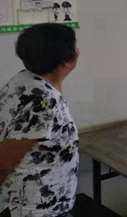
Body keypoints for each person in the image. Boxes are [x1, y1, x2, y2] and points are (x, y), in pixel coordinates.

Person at [0, 24, 80, 217]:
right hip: (35, 209)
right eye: (75, 46)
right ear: (65, 61)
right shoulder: (44, 103)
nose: (78, 50)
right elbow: (4, 163)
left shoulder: (24, 79)